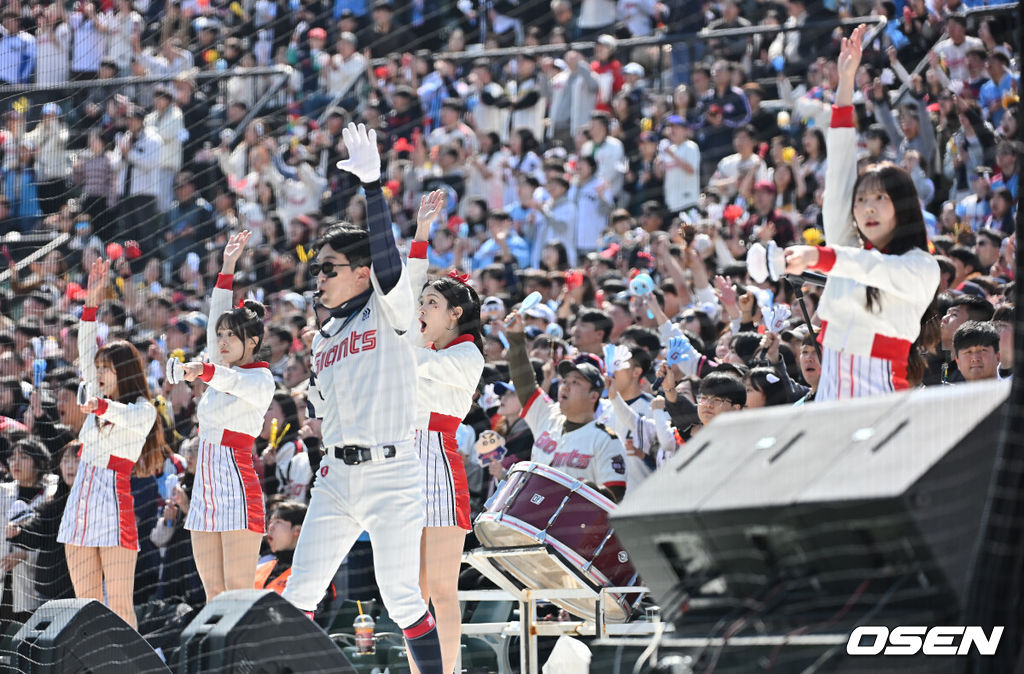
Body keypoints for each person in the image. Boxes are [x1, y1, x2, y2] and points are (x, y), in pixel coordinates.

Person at [281, 123, 443, 674]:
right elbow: (319, 413)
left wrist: (373, 188)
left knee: (400, 596)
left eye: (328, 267)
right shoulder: (323, 338)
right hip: (336, 478)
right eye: (314, 267)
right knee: (297, 595)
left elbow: (391, 264)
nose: (318, 275)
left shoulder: (389, 308)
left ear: (360, 271)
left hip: (394, 474)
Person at [784, 25, 939, 400]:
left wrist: (821, 257)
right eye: (862, 200)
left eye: (880, 199)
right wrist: (845, 83)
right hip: (829, 407)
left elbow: (871, 268)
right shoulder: (848, 247)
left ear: (903, 207)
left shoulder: (921, 266)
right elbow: (839, 168)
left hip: (882, 408)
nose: (867, 208)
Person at [57, 257, 167, 630]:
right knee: (85, 606)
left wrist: (100, 405)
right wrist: (91, 298)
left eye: (106, 368)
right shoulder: (96, 395)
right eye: (98, 368)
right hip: (79, 504)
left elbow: (128, 416)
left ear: (125, 371)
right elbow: (86, 343)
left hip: (113, 503)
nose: (98, 373)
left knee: (119, 604)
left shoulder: (142, 410)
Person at [406, 190, 486, 674]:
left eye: (430, 302)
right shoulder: (421, 347)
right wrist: (420, 232)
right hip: (403, 458)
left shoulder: (468, 354)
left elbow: (409, 354)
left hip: (438, 458)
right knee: (408, 592)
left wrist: (402, 337)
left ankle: (448, 672)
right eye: (421, 302)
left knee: (440, 588)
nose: (421, 308)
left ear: (454, 313)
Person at [172, 230, 275, 602]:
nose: (223, 342)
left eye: (232, 336)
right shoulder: (218, 370)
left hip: (236, 484)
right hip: (204, 489)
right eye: (220, 337)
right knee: (213, 594)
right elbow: (218, 316)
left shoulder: (260, 378)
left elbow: (226, 376)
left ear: (253, 342)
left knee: (238, 595)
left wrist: (204, 369)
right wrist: (227, 267)